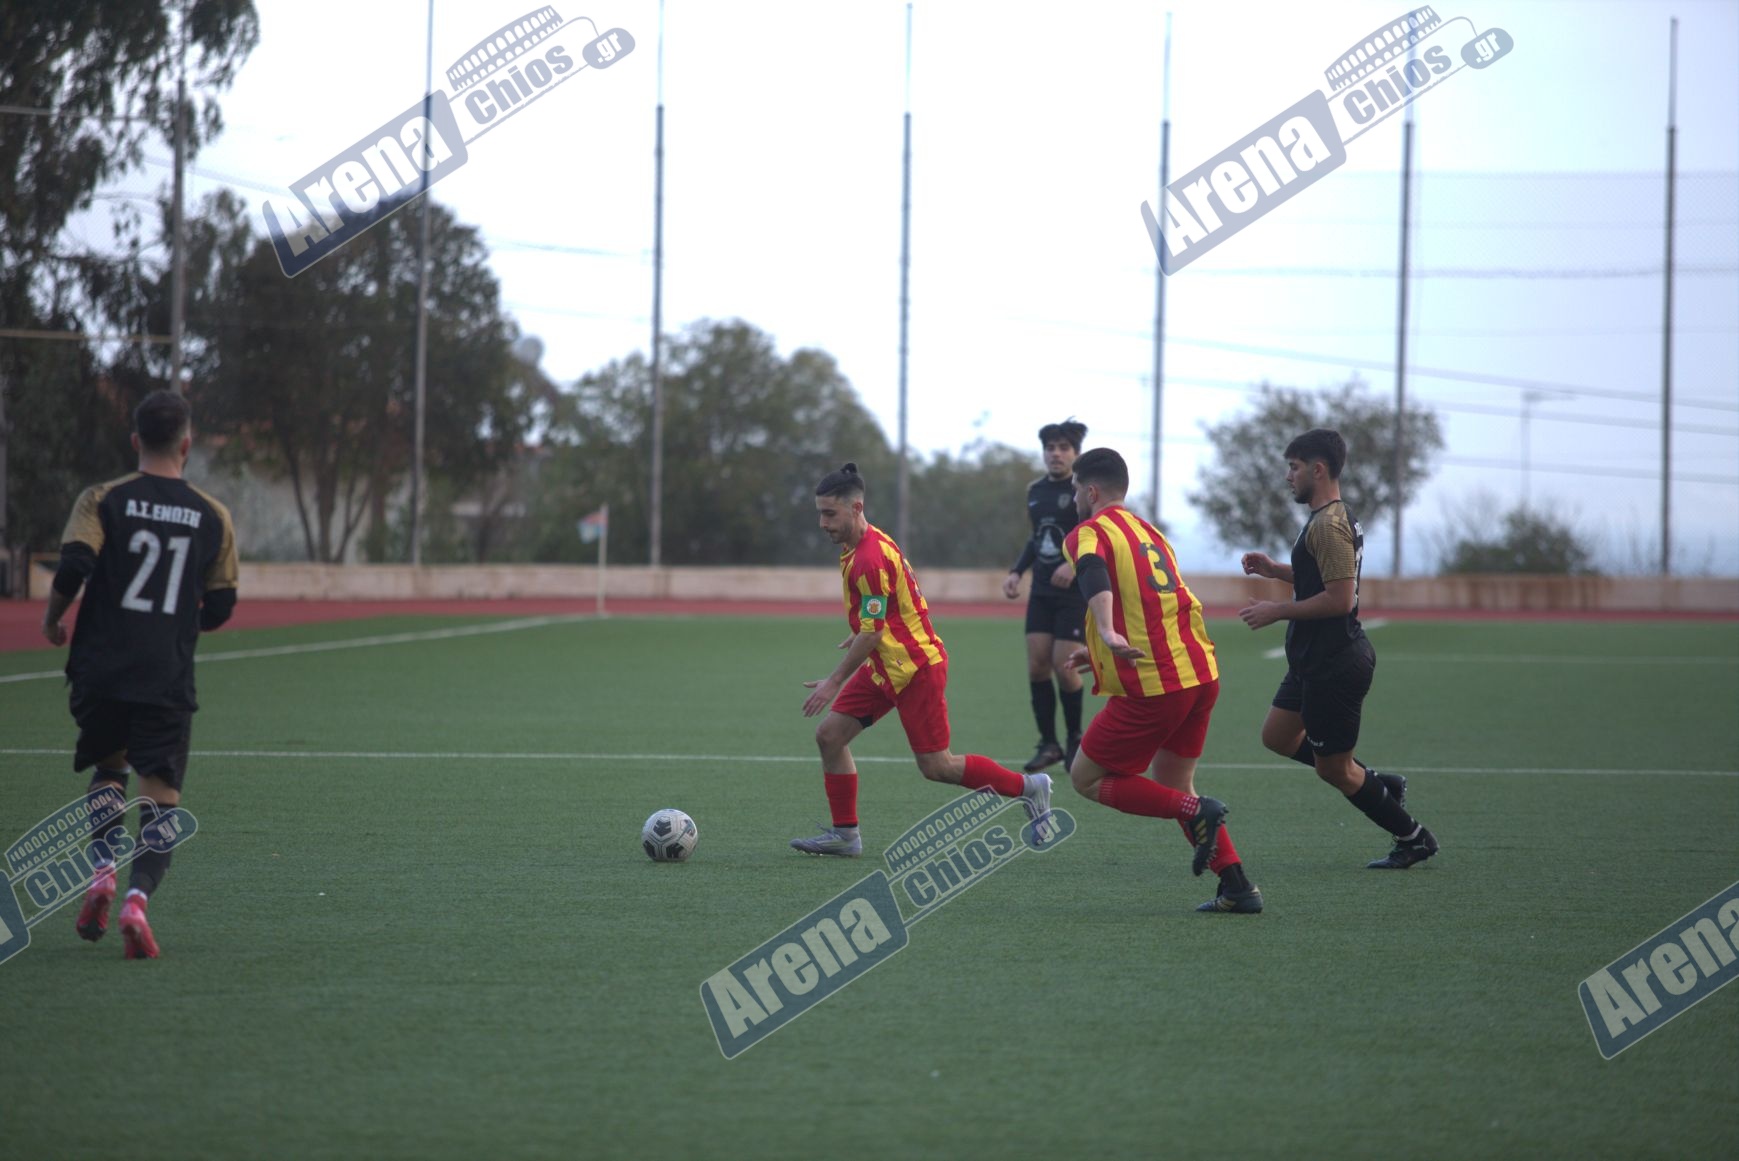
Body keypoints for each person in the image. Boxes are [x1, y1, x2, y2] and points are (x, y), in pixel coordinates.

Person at [41, 389, 239, 958]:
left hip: (101, 667)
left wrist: (53, 619)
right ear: (187, 444)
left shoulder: (102, 499)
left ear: (135, 440)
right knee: (161, 797)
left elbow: (75, 566)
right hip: (164, 675)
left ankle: (102, 870)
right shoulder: (212, 514)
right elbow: (221, 607)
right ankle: (135, 901)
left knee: (110, 769)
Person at [792, 463, 1052, 856]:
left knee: (937, 767)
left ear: (856, 508)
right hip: (886, 666)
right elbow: (885, 610)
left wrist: (834, 681)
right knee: (830, 736)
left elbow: (874, 631)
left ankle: (1030, 788)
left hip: (915, 670)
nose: (822, 523)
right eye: (820, 513)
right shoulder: (860, 545)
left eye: (830, 514)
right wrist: (861, 630)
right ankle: (846, 835)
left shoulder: (869, 557)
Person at [1060, 448, 1262, 914]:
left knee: (1086, 777)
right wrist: (1100, 651)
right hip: (1200, 674)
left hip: (1156, 686)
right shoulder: (1150, 533)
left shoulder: (1089, 532)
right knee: (1174, 782)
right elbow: (1155, 604)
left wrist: (1106, 631)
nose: (1074, 499)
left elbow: (1091, 573)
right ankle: (1237, 886)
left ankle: (1198, 812)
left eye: (1075, 490)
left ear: (1091, 491)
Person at [1238, 427, 1439, 870]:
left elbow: (1340, 599)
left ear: (1318, 469)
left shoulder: (1329, 525)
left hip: (1335, 663)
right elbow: (1322, 579)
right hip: (1310, 660)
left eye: (1293, 467)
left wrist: (1277, 611)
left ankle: (1414, 837)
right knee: (1277, 736)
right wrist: (1275, 570)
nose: (1288, 476)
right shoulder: (1325, 518)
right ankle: (1377, 783)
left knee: (1333, 769)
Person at [1000, 419, 1090, 773]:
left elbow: (1096, 533)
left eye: (1063, 448)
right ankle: (1049, 744)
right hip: (1041, 591)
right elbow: (1037, 537)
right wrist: (1016, 571)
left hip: (1073, 593)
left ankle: (1075, 740)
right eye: (1050, 448)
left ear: (1076, 453)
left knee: (1064, 667)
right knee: (1037, 666)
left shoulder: (1085, 490)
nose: (1056, 454)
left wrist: (1074, 563)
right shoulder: (1035, 490)